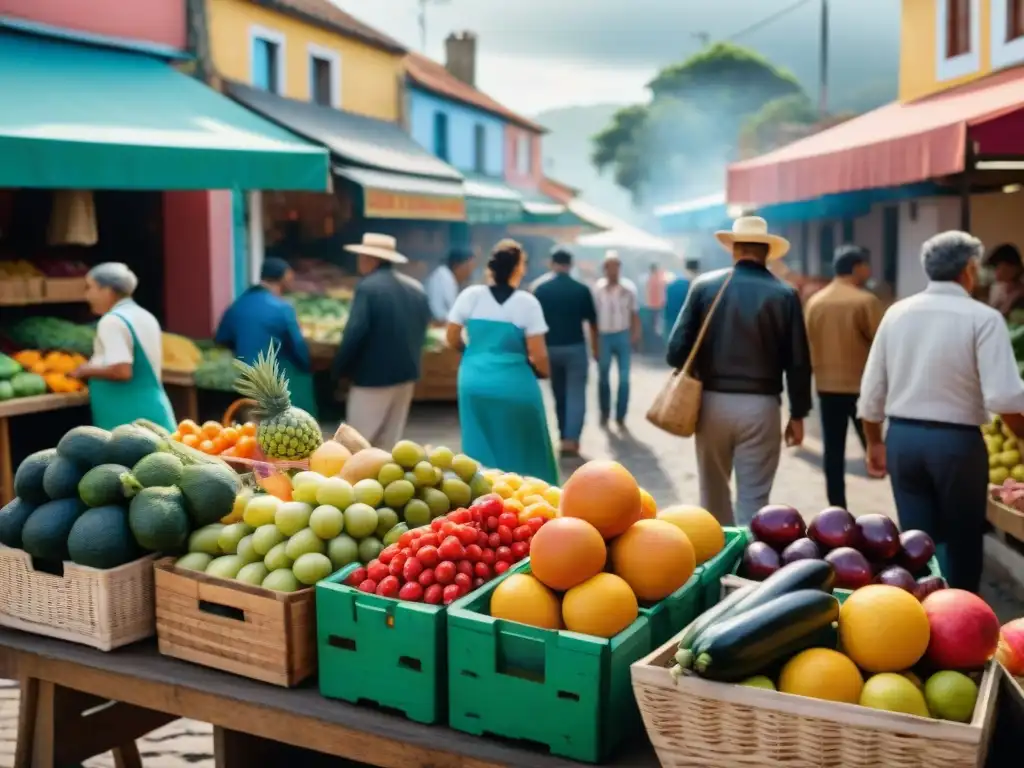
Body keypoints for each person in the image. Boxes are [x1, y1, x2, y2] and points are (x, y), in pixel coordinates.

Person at [858, 231, 1024, 593]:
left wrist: (874, 442)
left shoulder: (896, 313)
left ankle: (922, 618)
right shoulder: (984, 318)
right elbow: (1005, 397)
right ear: (969, 268)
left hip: (903, 440)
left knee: (917, 543)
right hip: (958, 444)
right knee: (964, 540)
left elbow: (871, 393)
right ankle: (961, 617)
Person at [667, 217, 812, 526]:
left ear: (734, 249)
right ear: (767, 252)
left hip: (710, 404)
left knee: (713, 495)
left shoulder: (705, 286)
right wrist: (798, 415)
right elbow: (798, 362)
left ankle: (718, 562)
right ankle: (750, 563)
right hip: (761, 407)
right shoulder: (784, 295)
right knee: (755, 499)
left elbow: (675, 351)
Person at [447, 239, 558, 484]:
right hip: (516, 384)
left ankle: (482, 498)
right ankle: (530, 496)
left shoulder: (471, 296)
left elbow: (452, 336)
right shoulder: (527, 303)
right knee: (527, 446)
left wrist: (471, 354)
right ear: (519, 268)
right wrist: (542, 372)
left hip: (473, 380)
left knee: (478, 447)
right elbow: (538, 355)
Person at [332, 234, 431, 448]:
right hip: (406, 376)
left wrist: (340, 371)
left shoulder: (368, 288)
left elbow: (355, 333)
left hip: (372, 378)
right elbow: (423, 329)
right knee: (387, 445)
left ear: (370, 259)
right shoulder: (416, 288)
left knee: (356, 445)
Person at [804, 245, 884, 510]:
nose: (869, 271)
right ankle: (894, 497)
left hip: (826, 387)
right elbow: (881, 345)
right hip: (862, 387)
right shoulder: (865, 301)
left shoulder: (815, 302)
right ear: (857, 267)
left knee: (833, 451)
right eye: (866, 265)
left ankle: (836, 509)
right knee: (876, 446)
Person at [73, 263, 175, 431]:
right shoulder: (144, 315)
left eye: (90, 288)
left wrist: (84, 370)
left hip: (129, 421)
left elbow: (122, 371)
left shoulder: (112, 321)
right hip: (153, 411)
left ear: (107, 291)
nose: (87, 295)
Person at [215, 257, 316, 417]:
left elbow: (221, 338)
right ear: (283, 277)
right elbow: (299, 349)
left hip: (244, 377)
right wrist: (309, 367)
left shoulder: (238, 304)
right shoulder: (283, 308)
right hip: (275, 381)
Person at [531, 248, 599, 457]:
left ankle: (562, 436)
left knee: (558, 393)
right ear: (570, 264)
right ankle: (572, 439)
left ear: (552, 263)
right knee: (576, 394)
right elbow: (593, 323)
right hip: (576, 348)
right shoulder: (581, 289)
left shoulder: (539, 289)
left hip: (549, 348)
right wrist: (596, 350)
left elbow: (532, 325)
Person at [593, 251, 640, 428]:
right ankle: (604, 412)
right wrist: (594, 341)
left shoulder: (628, 289)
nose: (613, 270)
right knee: (603, 376)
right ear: (605, 269)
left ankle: (621, 414)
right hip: (604, 335)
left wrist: (635, 335)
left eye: (616, 266)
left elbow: (634, 314)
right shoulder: (597, 289)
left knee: (624, 377)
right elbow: (593, 316)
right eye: (609, 267)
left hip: (622, 334)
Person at [425, 247, 476, 322]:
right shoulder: (444, 277)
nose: (470, 273)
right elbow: (440, 316)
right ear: (456, 265)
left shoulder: (447, 276)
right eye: (468, 267)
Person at [664, 258, 698, 342]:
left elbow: (666, 305)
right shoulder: (698, 285)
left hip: (672, 321)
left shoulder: (672, 284)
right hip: (689, 325)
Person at [986, 243, 1024, 318]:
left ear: (1014, 268)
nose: (995, 272)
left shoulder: (1020, 293)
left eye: (998, 267)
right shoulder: (996, 288)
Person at [640, 262, 667, 353]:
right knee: (658, 328)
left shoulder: (650, 279)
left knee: (654, 328)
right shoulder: (660, 278)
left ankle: (653, 348)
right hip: (658, 307)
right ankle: (657, 348)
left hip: (653, 307)